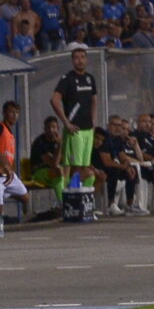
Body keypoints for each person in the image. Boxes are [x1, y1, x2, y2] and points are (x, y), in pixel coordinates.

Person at [50, 45, 102, 218]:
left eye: (82, 57)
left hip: (88, 130)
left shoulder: (90, 79)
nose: (80, 61)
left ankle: (81, 205)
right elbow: (54, 99)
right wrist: (66, 122)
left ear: (86, 59)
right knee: (75, 167)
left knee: (86, 167)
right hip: (75, 130)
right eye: (76, 58)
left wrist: (93, 121)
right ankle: (70, 204)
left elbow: (94, 99)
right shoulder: (68, 79)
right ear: (72, 60)